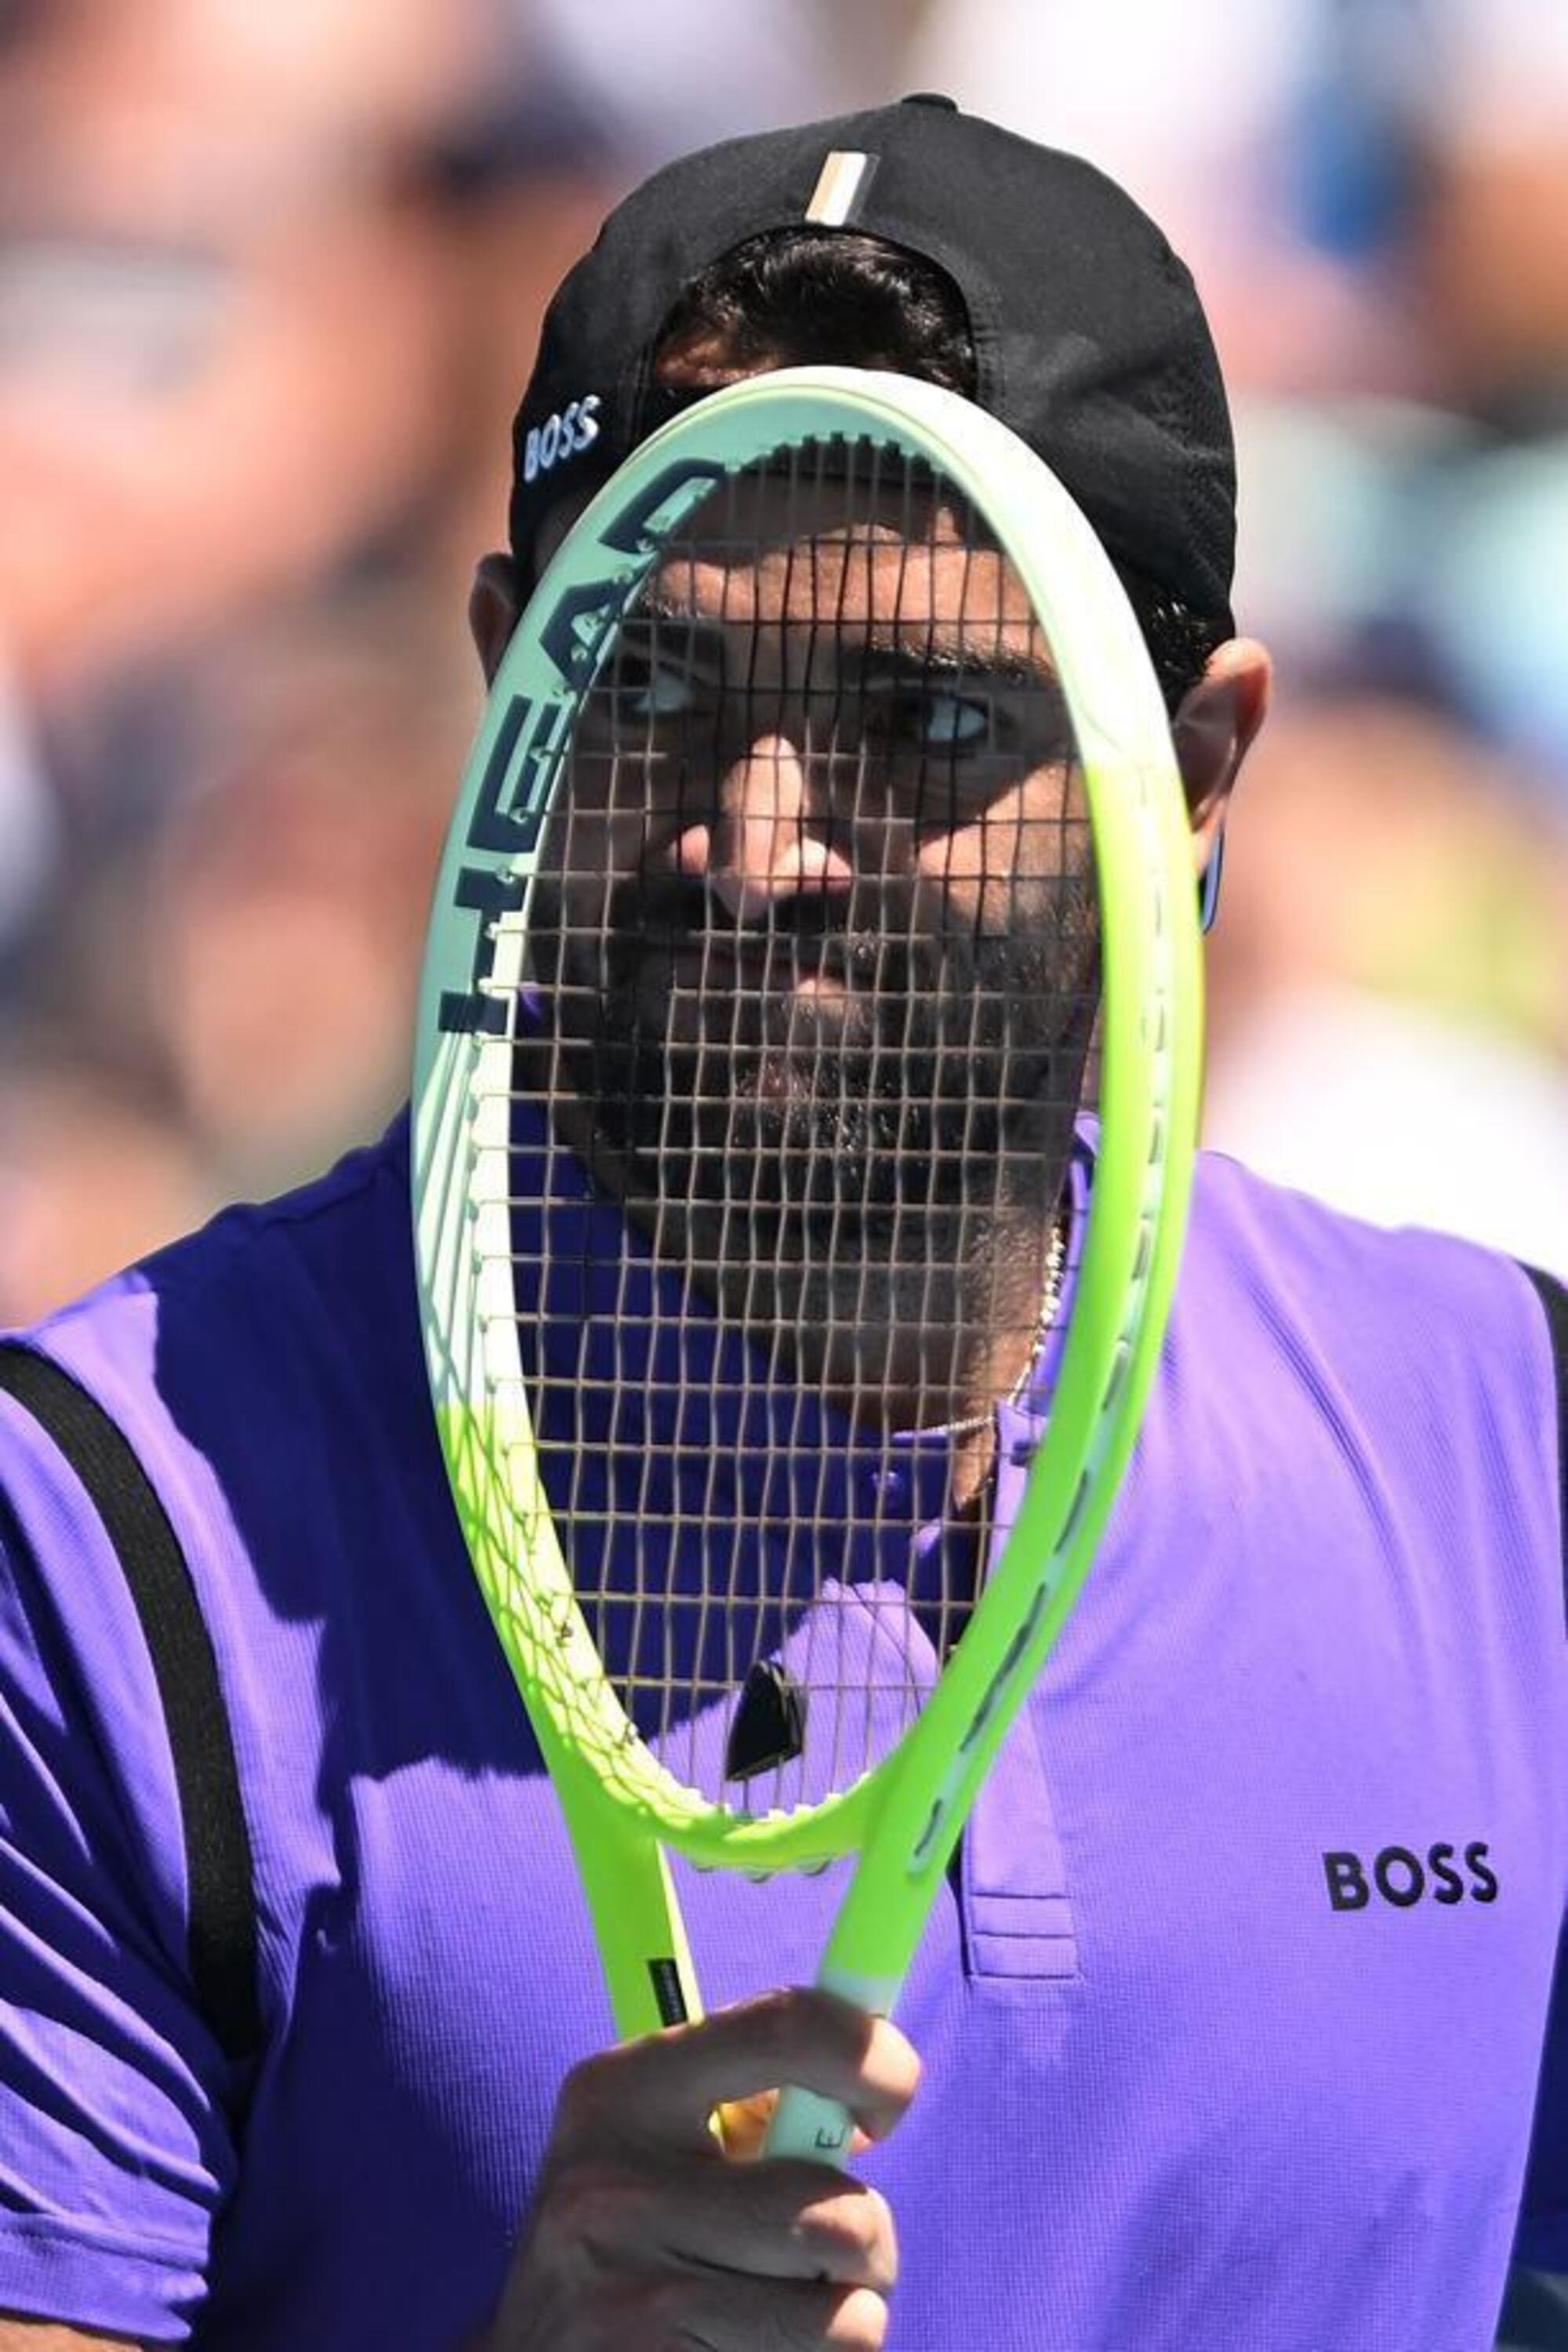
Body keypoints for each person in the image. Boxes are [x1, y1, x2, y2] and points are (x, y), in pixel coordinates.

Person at [0, 97, 1562, 2352]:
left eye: (923, 720)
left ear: (1199, 768)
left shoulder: (1517, 1450)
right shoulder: (90, 1544)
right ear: (496, 673)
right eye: (643, 687)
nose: (762, 839)